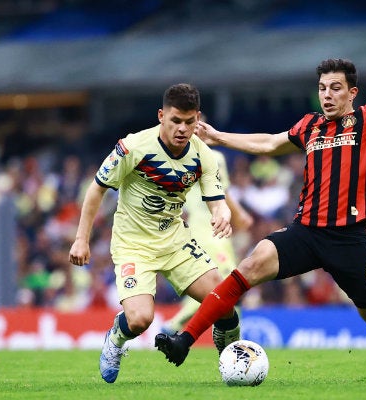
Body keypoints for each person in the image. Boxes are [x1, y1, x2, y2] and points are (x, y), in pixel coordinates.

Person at [155, 5, 366, 381]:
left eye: (335, 88)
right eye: (322, 88)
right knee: (247, 266)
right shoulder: (309, 127)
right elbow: (268, 144)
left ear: (352, 92)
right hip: (306, 232)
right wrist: (217, 137)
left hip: (348, 240)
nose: (326, 95)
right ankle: (184, 340)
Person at [68, 83, 241, 383]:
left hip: (175, 240)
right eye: (175, 120)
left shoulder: (204, 155)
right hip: (133, 245)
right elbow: (96, 189)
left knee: (223, 299)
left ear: (198, 120)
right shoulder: (133, 147)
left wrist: (222, 214)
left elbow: (217, 200)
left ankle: (234, 362)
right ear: (161, 116)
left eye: (189, 122)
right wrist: (82, 238)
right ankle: (116, 339)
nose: (182, 129)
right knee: (140, 320)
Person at [161, 143, 254, 334]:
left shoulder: (178, 159)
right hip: (212, 232)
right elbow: (222, 194)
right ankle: (174, 325)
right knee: (228, 284)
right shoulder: (214, 156)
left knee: (220, 286)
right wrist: (241, 215)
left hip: (198, 231)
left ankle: (234, 339)